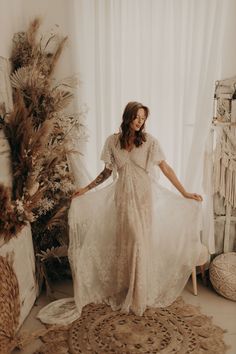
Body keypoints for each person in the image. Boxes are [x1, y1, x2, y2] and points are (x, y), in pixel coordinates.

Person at [37, 101, 203, 324]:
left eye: (143, 118)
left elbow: (165, 168)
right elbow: (106, 173)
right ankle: (128, 287)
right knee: (126, 241)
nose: (140, 121)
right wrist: (85, 189)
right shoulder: (112, 142)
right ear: (128, 117)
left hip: (143, 197)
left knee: (138, 241)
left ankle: (139, 294)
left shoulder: (149, 142)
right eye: (136, 117)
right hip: (122, 198)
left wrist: (185, 193)